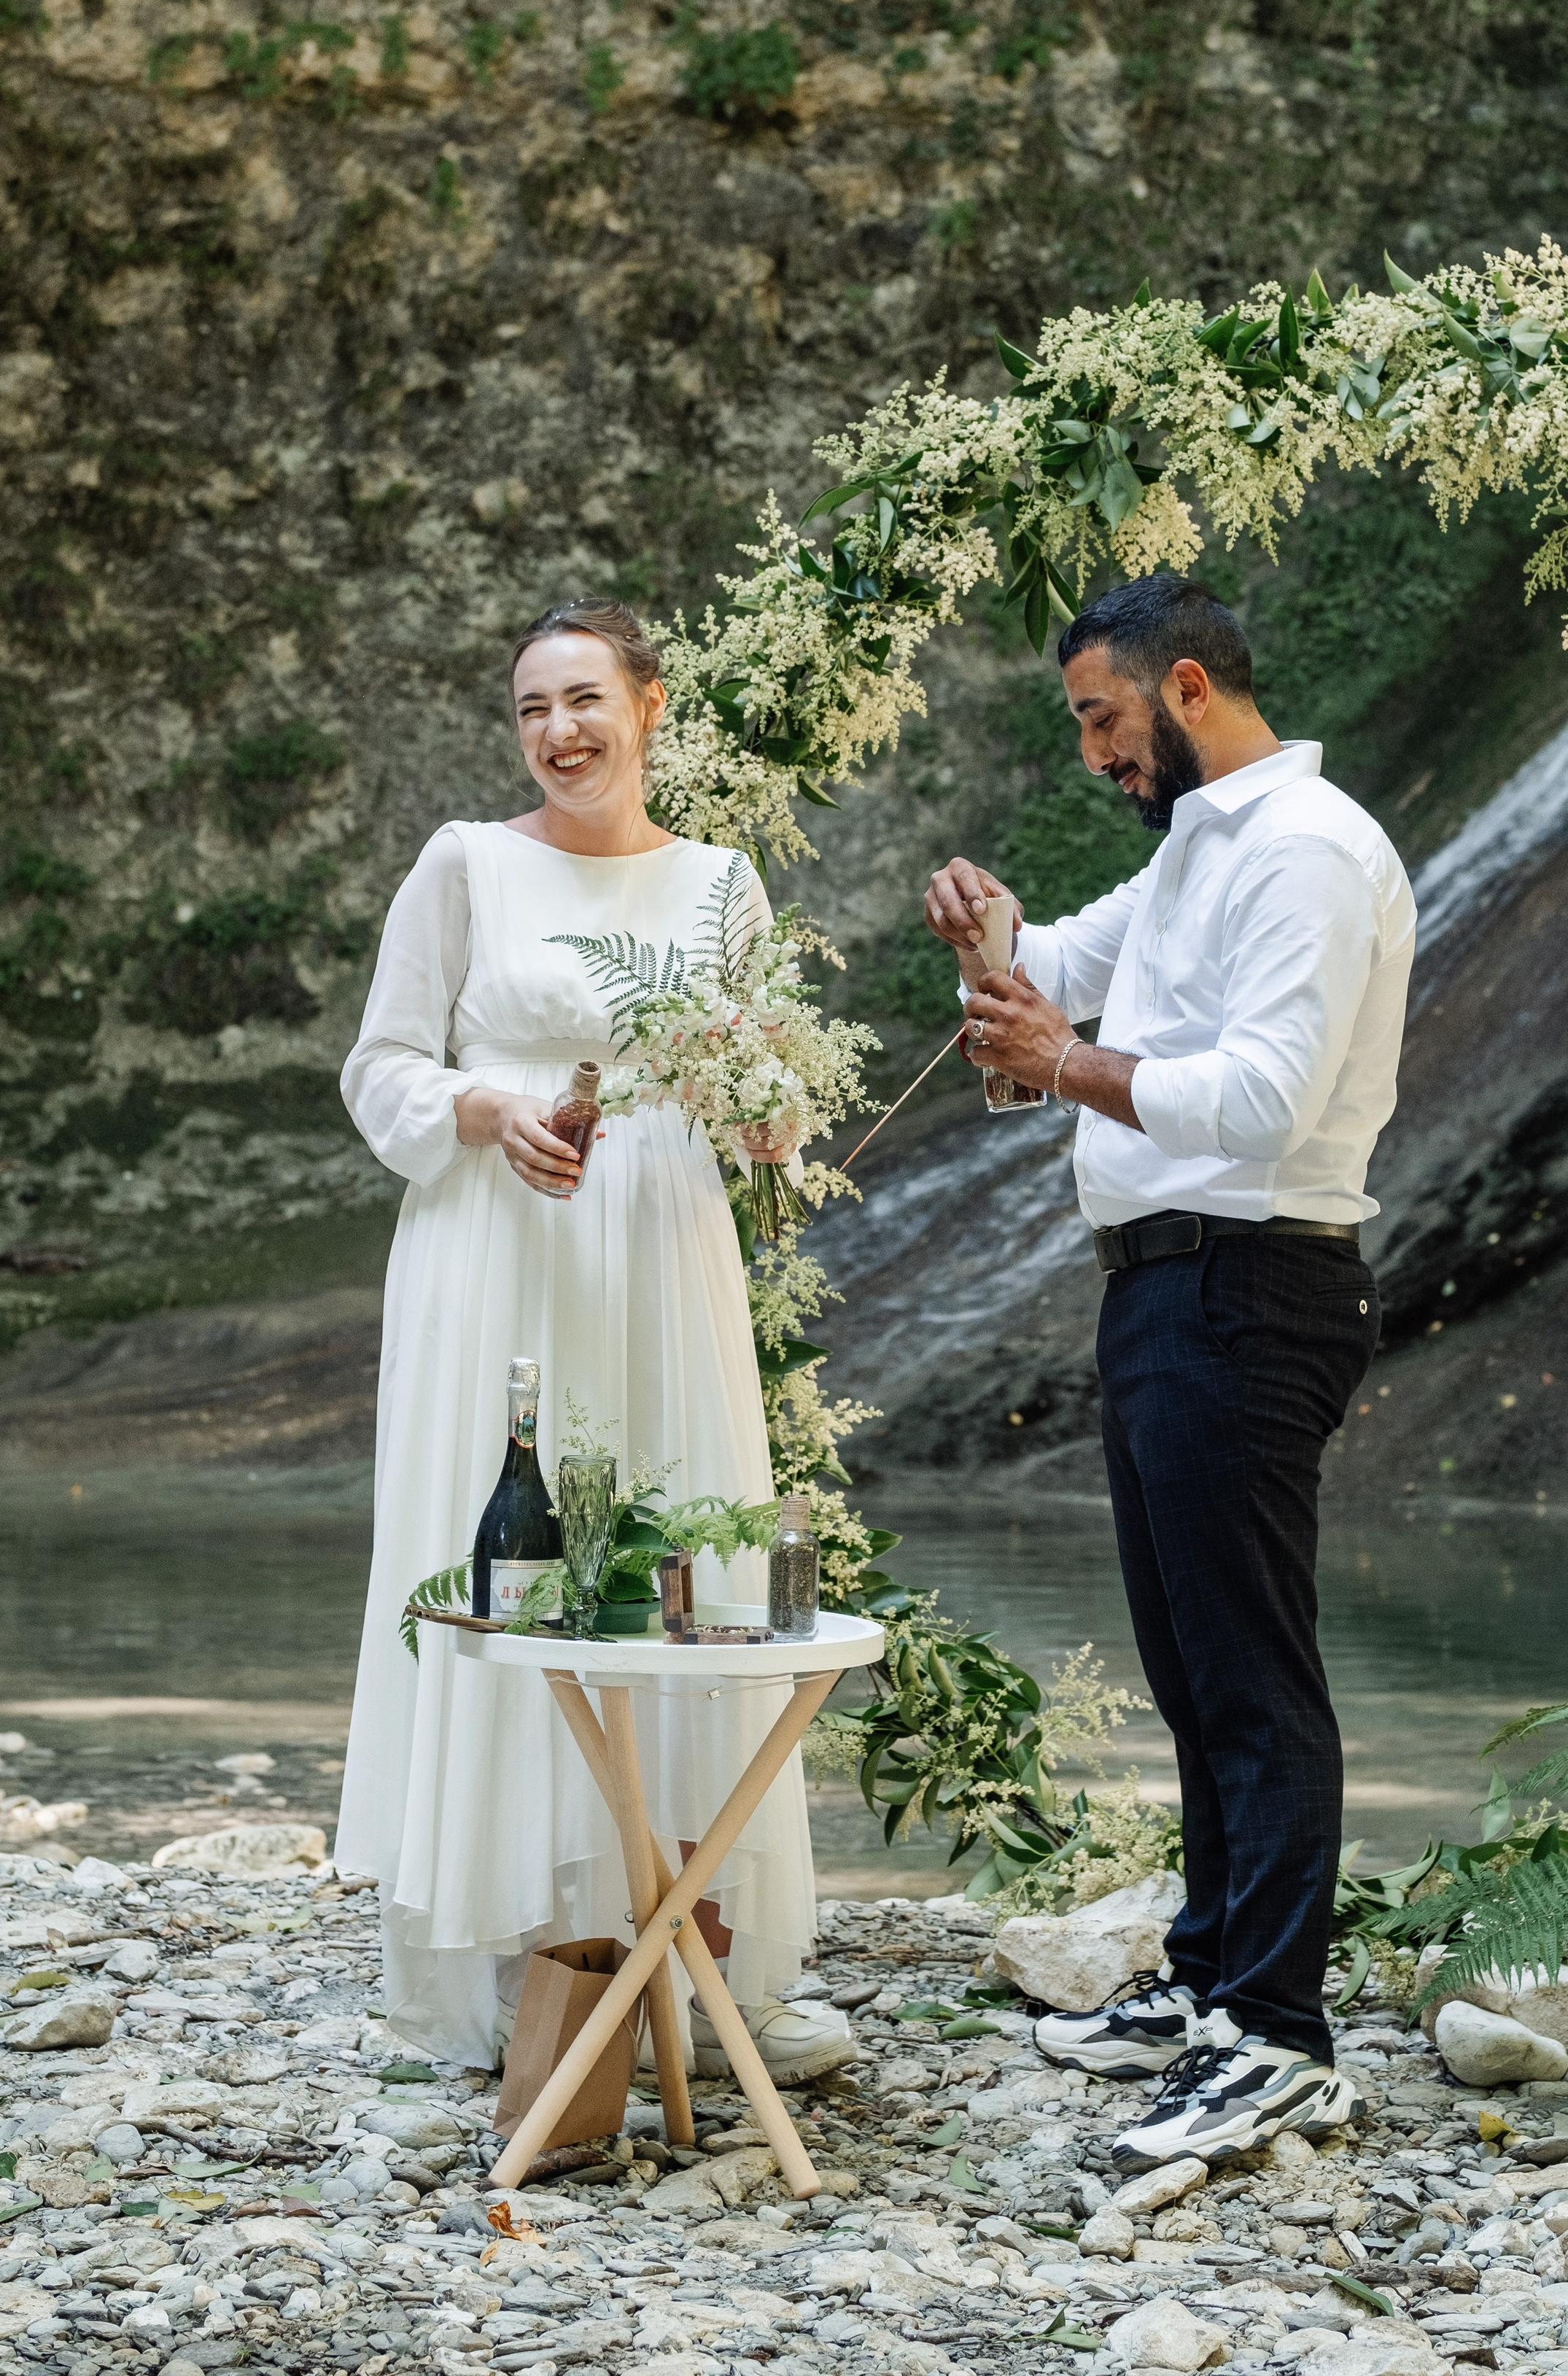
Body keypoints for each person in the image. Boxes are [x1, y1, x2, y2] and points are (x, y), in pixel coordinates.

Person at [923, 573, 1414, 2166]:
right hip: (1168, 1287)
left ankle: (1276, 2039)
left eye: (1104, 717)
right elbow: (1055, 968)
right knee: (1195, 1668)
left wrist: (1061, 1064)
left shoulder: (1307, 851)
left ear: (1188, 686)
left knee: (1253, 1676)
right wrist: (990, 936)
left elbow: (1264, 1100)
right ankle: (1208, 1981)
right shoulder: (1202, 847)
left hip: (1250, 1284)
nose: (1094, 753)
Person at [336, 597, 850, 2082]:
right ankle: (503, 1950)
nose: (558, 731)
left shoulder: (721, 884)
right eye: (531, 709)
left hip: (663, 1250)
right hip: (494, 1242)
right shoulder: (464, 864)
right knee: (503, 1548)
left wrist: (771, 1116)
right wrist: (489, 1110)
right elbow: (378, 1068)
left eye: (583, 700)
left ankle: (684, 1940)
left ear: (649, 706)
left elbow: (765, 1087)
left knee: (682, 1543)